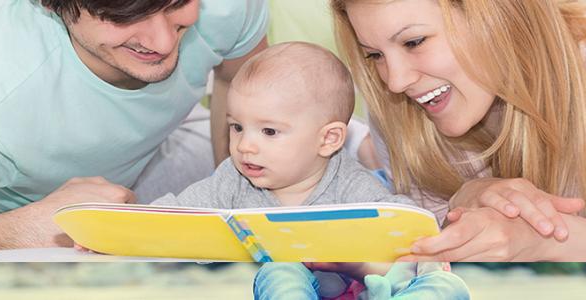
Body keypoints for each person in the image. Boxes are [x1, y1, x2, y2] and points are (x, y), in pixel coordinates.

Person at [151, 41, 468, 300]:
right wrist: (116, 227)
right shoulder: (232, 180)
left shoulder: (349, 183)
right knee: (279, 270)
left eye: (269, 132)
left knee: (446, 285)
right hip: (300, 285)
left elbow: (401, 219)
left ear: (328, 139)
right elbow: (175, 213)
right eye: (237, 127)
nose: (245, 145)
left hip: (365, 288)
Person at [0, 0, 268, 249]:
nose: (163, 44)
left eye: (177, 4)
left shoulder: (228, 6)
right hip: (14, 213)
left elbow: (236, 79)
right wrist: (19, 226)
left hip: (158, 153)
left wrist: (242, 193)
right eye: (125, 17)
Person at [330, 0, 586, 261]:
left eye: (414, 42)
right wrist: (463, 199)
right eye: (375, 55)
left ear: (500, 13)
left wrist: (546, 241)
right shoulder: (396, 114)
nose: (396, 82)